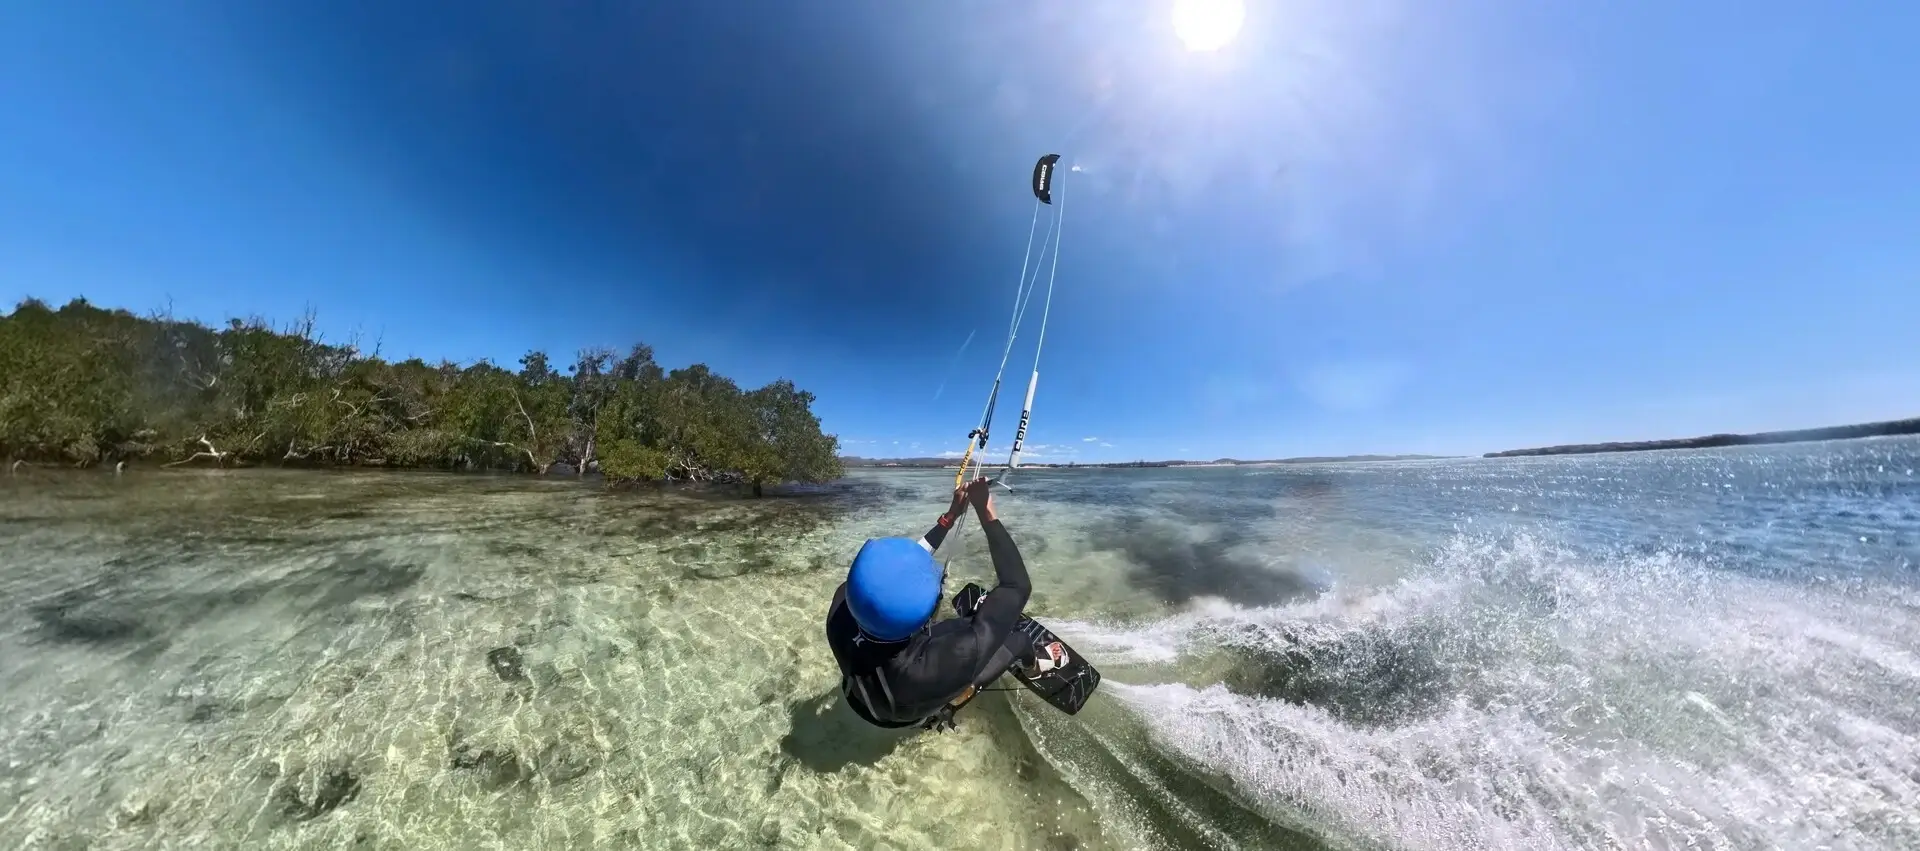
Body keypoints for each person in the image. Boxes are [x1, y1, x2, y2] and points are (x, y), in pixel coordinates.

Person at [824, 476, 1069, 731]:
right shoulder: (946, 660)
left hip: (863, 696)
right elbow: (1016, 587)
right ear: (926, 616)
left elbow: (896, 569)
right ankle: (1035, 666)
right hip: (902, 713)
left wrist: (950, 517)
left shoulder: (841, 611)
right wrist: (987, 512)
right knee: (1018, 640)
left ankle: (976, 630)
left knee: (966, 625)